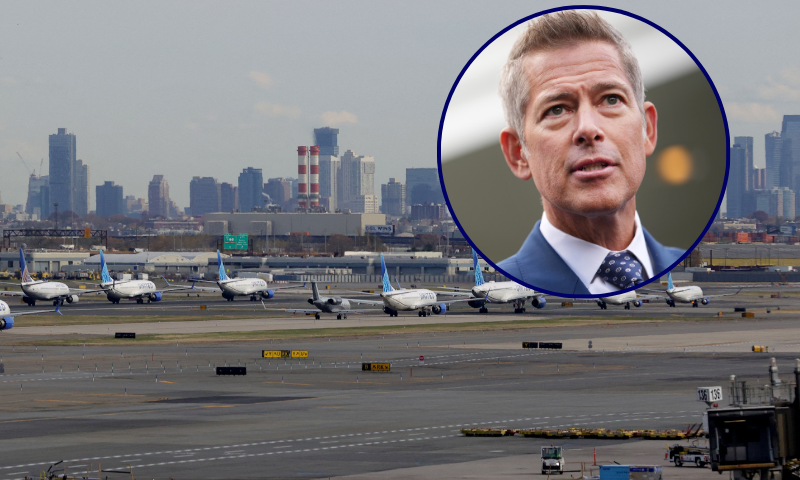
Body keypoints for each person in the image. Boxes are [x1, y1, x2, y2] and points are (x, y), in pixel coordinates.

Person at [496, 10, 683, 295]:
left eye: (611, 99)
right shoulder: (506, 285)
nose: (588, 129)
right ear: (518, 153)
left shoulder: (681, 267)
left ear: (648, 130)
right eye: (556, 109)